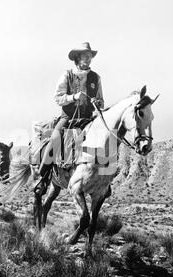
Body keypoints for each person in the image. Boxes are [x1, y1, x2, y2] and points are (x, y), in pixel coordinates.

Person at [35, 42, 104, 190]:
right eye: (86, 56)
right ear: (78, 58)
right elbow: (57, 98)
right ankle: (42, 177)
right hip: (68, 118)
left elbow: (101, 102)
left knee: (105, 141)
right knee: (54, 138)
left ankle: (103, 182)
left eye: (90, 56)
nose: (89, 58)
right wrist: (73, 97)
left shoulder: (96, 78)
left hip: (88, 119)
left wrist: (97, 102)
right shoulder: (67, 75)